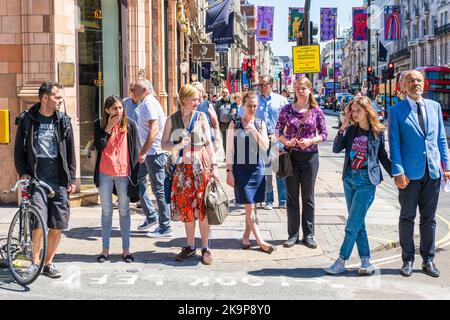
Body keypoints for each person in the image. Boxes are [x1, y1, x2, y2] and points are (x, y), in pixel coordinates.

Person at [388, 70, 450, 278]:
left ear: (423, 83)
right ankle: (407, 259)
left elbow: (441, 138)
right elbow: (394, 143)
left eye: (418, 80)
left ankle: (428, 259)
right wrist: (398, 171)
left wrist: (447, 167)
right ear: (403, 86)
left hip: (432, 172)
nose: (415, 84)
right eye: (411, 81)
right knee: (407, 217)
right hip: (408, 174)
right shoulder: (396, 111)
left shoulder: (434, 107)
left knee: (429, 219)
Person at [14, 80, 76, 278]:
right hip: (37, 179)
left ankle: (48, 263)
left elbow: (70, 152)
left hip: (59, 179)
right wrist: (23, 171)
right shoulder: (28, 119)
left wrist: (72, 179)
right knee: (38, 221)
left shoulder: (63, 121)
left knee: (58, 224)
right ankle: (34, 262)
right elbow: (18, 150)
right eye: (57, 97)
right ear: (45, 98)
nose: (60, 100)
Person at [325, 96, 392, 275]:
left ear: (367, 111)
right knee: (357, 221)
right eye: (352, 111)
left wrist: (396, 174)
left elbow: (382, 156)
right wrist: (343, 127)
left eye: (357, 111)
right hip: (349, 179)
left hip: (366, 181)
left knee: (352, 223)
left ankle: (341, 260)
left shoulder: (377, 132)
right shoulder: (351, 130)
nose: (354, 114)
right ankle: (365, 261)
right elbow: (336, 149)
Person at [161, 84, 219, 265]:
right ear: (183, 99)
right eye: (193, 99)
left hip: (201, 168)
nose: (197, 102)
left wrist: (215, 165)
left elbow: (208, 143)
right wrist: (177, 146)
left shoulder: (201, 117)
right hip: (182, 171)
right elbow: (163, 144)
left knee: (203, 208)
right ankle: (189, 245)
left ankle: (205, 248)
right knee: (187, 208)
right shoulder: (172, 119)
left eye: (198, 98)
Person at [275, 76, 328, 249]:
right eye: (298, 87)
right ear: (294, 90)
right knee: (291, 197)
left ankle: (309, 234)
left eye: (304, 87)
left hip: (310, 158)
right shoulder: (286, 110)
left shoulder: (316, 111)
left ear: (310, 89)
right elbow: (277, 130)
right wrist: (285, 141)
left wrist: (311, 141)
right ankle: (292, 235)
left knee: (308, 197)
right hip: (291, 157)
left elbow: (324, 134)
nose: (300, 90)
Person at [226, 92, 274, 253]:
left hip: (257, 169)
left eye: (255, 106)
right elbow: (229, 150)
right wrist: (229, 171)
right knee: (250, 206)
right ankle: (261, 241)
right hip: (241, 171)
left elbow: (265, 146)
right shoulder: (234, 123)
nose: (252, 108)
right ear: (243, 106)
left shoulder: (260, 124)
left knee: (252, 206)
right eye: (249, 106)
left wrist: (253, 130)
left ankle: (246, 237)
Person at [93, 96, 140, 263]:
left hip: (123, 174)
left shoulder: (130, 125)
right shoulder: (99, 124)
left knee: (124, 211)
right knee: (106, 211)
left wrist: (137, 174)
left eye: (120, 108)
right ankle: (105, 250)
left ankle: (126, 250)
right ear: (107, 110)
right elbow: (98, 147)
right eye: (114, 108)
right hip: (105, 173)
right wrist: (108, 128)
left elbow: (135, 150)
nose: (118, 111)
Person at [133, 79, 172, 237]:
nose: (133, 91)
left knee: (158, 189)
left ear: (144, 91)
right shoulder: (146, 102)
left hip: (154, 153)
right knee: (138, 180)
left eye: (136, 89)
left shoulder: (149, 103)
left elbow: (154, 129)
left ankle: (165, 225)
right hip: (150, 152)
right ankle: (151, 216)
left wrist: (143, 151)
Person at [255, 76, 289, 210]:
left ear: (271, 85)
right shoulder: (255, 100)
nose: (261, 87)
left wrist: (282, 134)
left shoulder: (280, 100)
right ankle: (268, 200)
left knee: (280, 170)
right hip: (262, 139)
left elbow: (289, 119)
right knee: (266, 170)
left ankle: (283, 200)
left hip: (278, 139)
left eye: (264, 84)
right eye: (260, 84)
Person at [123, 83, 149, 212]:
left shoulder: (145, 105)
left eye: (134, 90)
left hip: (140, 143)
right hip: (126, 142)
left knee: (139, 171)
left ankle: (139, 198)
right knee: (126, 169)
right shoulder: (124, 103)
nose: (132, 92)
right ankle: (126, 195)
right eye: (131, 89)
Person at [191, 81, 222, 154]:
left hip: (206, 138)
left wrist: (217, 139)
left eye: (200, 90)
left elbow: (215, 123)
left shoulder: (207, 104)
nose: (199, 93)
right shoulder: (189, 104)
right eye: (196, 90)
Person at [214, 88, 234, 155]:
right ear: (221, 93)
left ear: (228, 93)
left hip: (230, 124)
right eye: (223, 92)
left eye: (226, 92)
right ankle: (226, 156)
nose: (225, 94)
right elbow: (215, 114)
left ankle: (232, 155)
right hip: (222, 125)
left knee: (231, 141)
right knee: (225, 141)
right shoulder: (218, 103)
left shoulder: (232, 103)